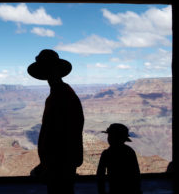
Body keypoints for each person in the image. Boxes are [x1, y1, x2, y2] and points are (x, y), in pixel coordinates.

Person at [28, 49, 84, 194]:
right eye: (45, 69)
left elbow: (59, 133)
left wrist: (47, 164)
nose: (48, 74)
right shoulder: (60, 92)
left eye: (49, 69)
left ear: (56, 70)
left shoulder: (61, 94)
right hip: (60, 161)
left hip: (60, 163)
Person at [97, 123, 142, 194]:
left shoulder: (106, 153)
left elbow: (100, 175)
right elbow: (136, 174)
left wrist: (101, 191)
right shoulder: (129, 151)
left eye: (111, 136)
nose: (109, 138)